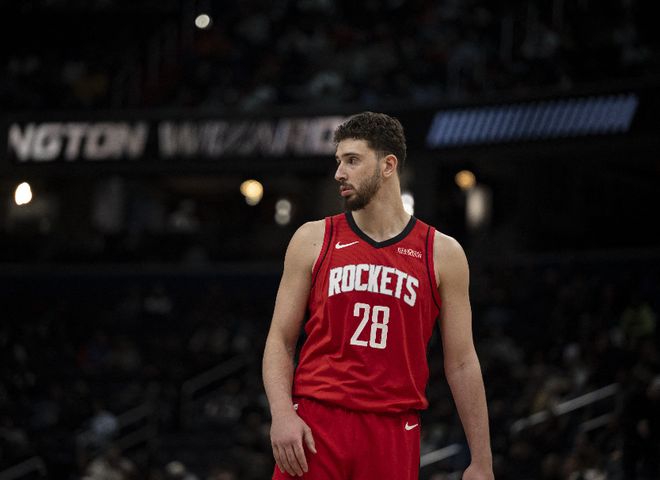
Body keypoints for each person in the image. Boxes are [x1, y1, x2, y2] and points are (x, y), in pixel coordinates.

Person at [262, 112, 493, 480]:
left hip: (393, 429)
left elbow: (462, 362)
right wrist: (282, 413)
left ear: (388, 166)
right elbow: (280, 338)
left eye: (352, 160)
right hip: (316, 424)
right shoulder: (313, 239)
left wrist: (481, 461)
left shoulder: (442, 253)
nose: (339, 173)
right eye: (339, 161)